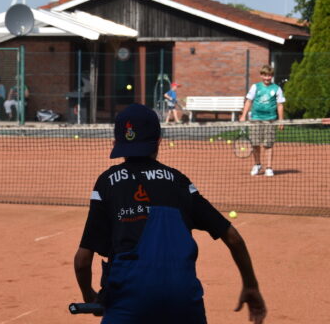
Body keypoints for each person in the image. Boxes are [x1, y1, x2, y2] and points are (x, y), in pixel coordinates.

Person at [74, 103, 266, 324]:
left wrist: (89, 296)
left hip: (127, 303)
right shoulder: (179, 182)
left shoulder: (106, 183)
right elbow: (233, 238)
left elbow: (82, 261)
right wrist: (250, 285)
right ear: (158, 142)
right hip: (183, 303)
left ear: (116, 143)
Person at [240, 65, 285, 177]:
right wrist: (243, 115)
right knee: (255, 143)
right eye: (265, 75)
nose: (267, 78)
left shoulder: (276, 89)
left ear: (272, 76)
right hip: (255, 119)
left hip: (270, 120)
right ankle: (257, 164)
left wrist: (281, 120)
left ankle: (269, 167)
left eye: (269, 75)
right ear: (261, 75)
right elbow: (249, 101)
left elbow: (280, 105)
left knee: (268, 144)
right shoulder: (255, 87)